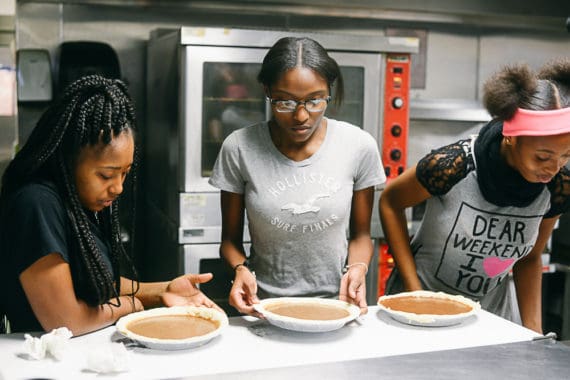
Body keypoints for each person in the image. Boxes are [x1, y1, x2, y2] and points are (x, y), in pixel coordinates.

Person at [0, 75, 221, 335]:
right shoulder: (36, 204)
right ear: (68, 160)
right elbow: (68, 321)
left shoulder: (75, 202)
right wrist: (135, 305)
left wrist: (164, 290)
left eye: (124, 173)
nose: (118, 188)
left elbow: (94, 281)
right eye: (106, 175)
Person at [379, 58, 570, 333]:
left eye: (566, 156)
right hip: (418, 313)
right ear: (510, 136)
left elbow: (530, 258)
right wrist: (415, 292)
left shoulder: (557, 188)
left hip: (488, 320)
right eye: (543, 157)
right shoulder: (453, 166)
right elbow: (389, 202)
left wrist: (534, 332)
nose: (554, 168)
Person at [209, 36, 385, 316]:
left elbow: (362, 235)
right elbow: (229, 241)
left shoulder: (358, 146)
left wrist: (358, 268)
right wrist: (240, 269)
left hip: (337, 305)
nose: (301, 115)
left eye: (315, 100)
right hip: (264, 307)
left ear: (329, 90)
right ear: (267, 91)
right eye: (285, 102)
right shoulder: (239, 147)